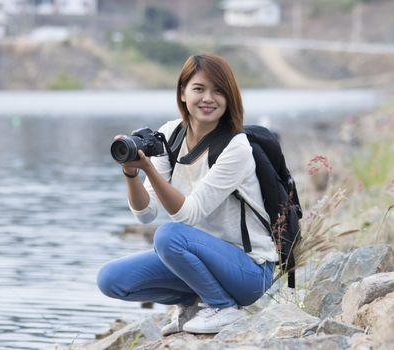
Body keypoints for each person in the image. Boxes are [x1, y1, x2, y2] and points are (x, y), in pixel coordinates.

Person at [97, 53, 277, 335]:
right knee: (110, 279)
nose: (208, 98)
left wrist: (149, 168)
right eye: (199, 89)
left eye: (218, 91)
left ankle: (222, 307)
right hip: (199, 262)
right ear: (182, 93)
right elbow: (145, 214)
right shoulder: (170, 134)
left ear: (230, 98)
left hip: (249, 271)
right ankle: (193, 303)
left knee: (169, 236)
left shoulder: (235, 147)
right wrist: (131, 172)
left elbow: (187, 214)